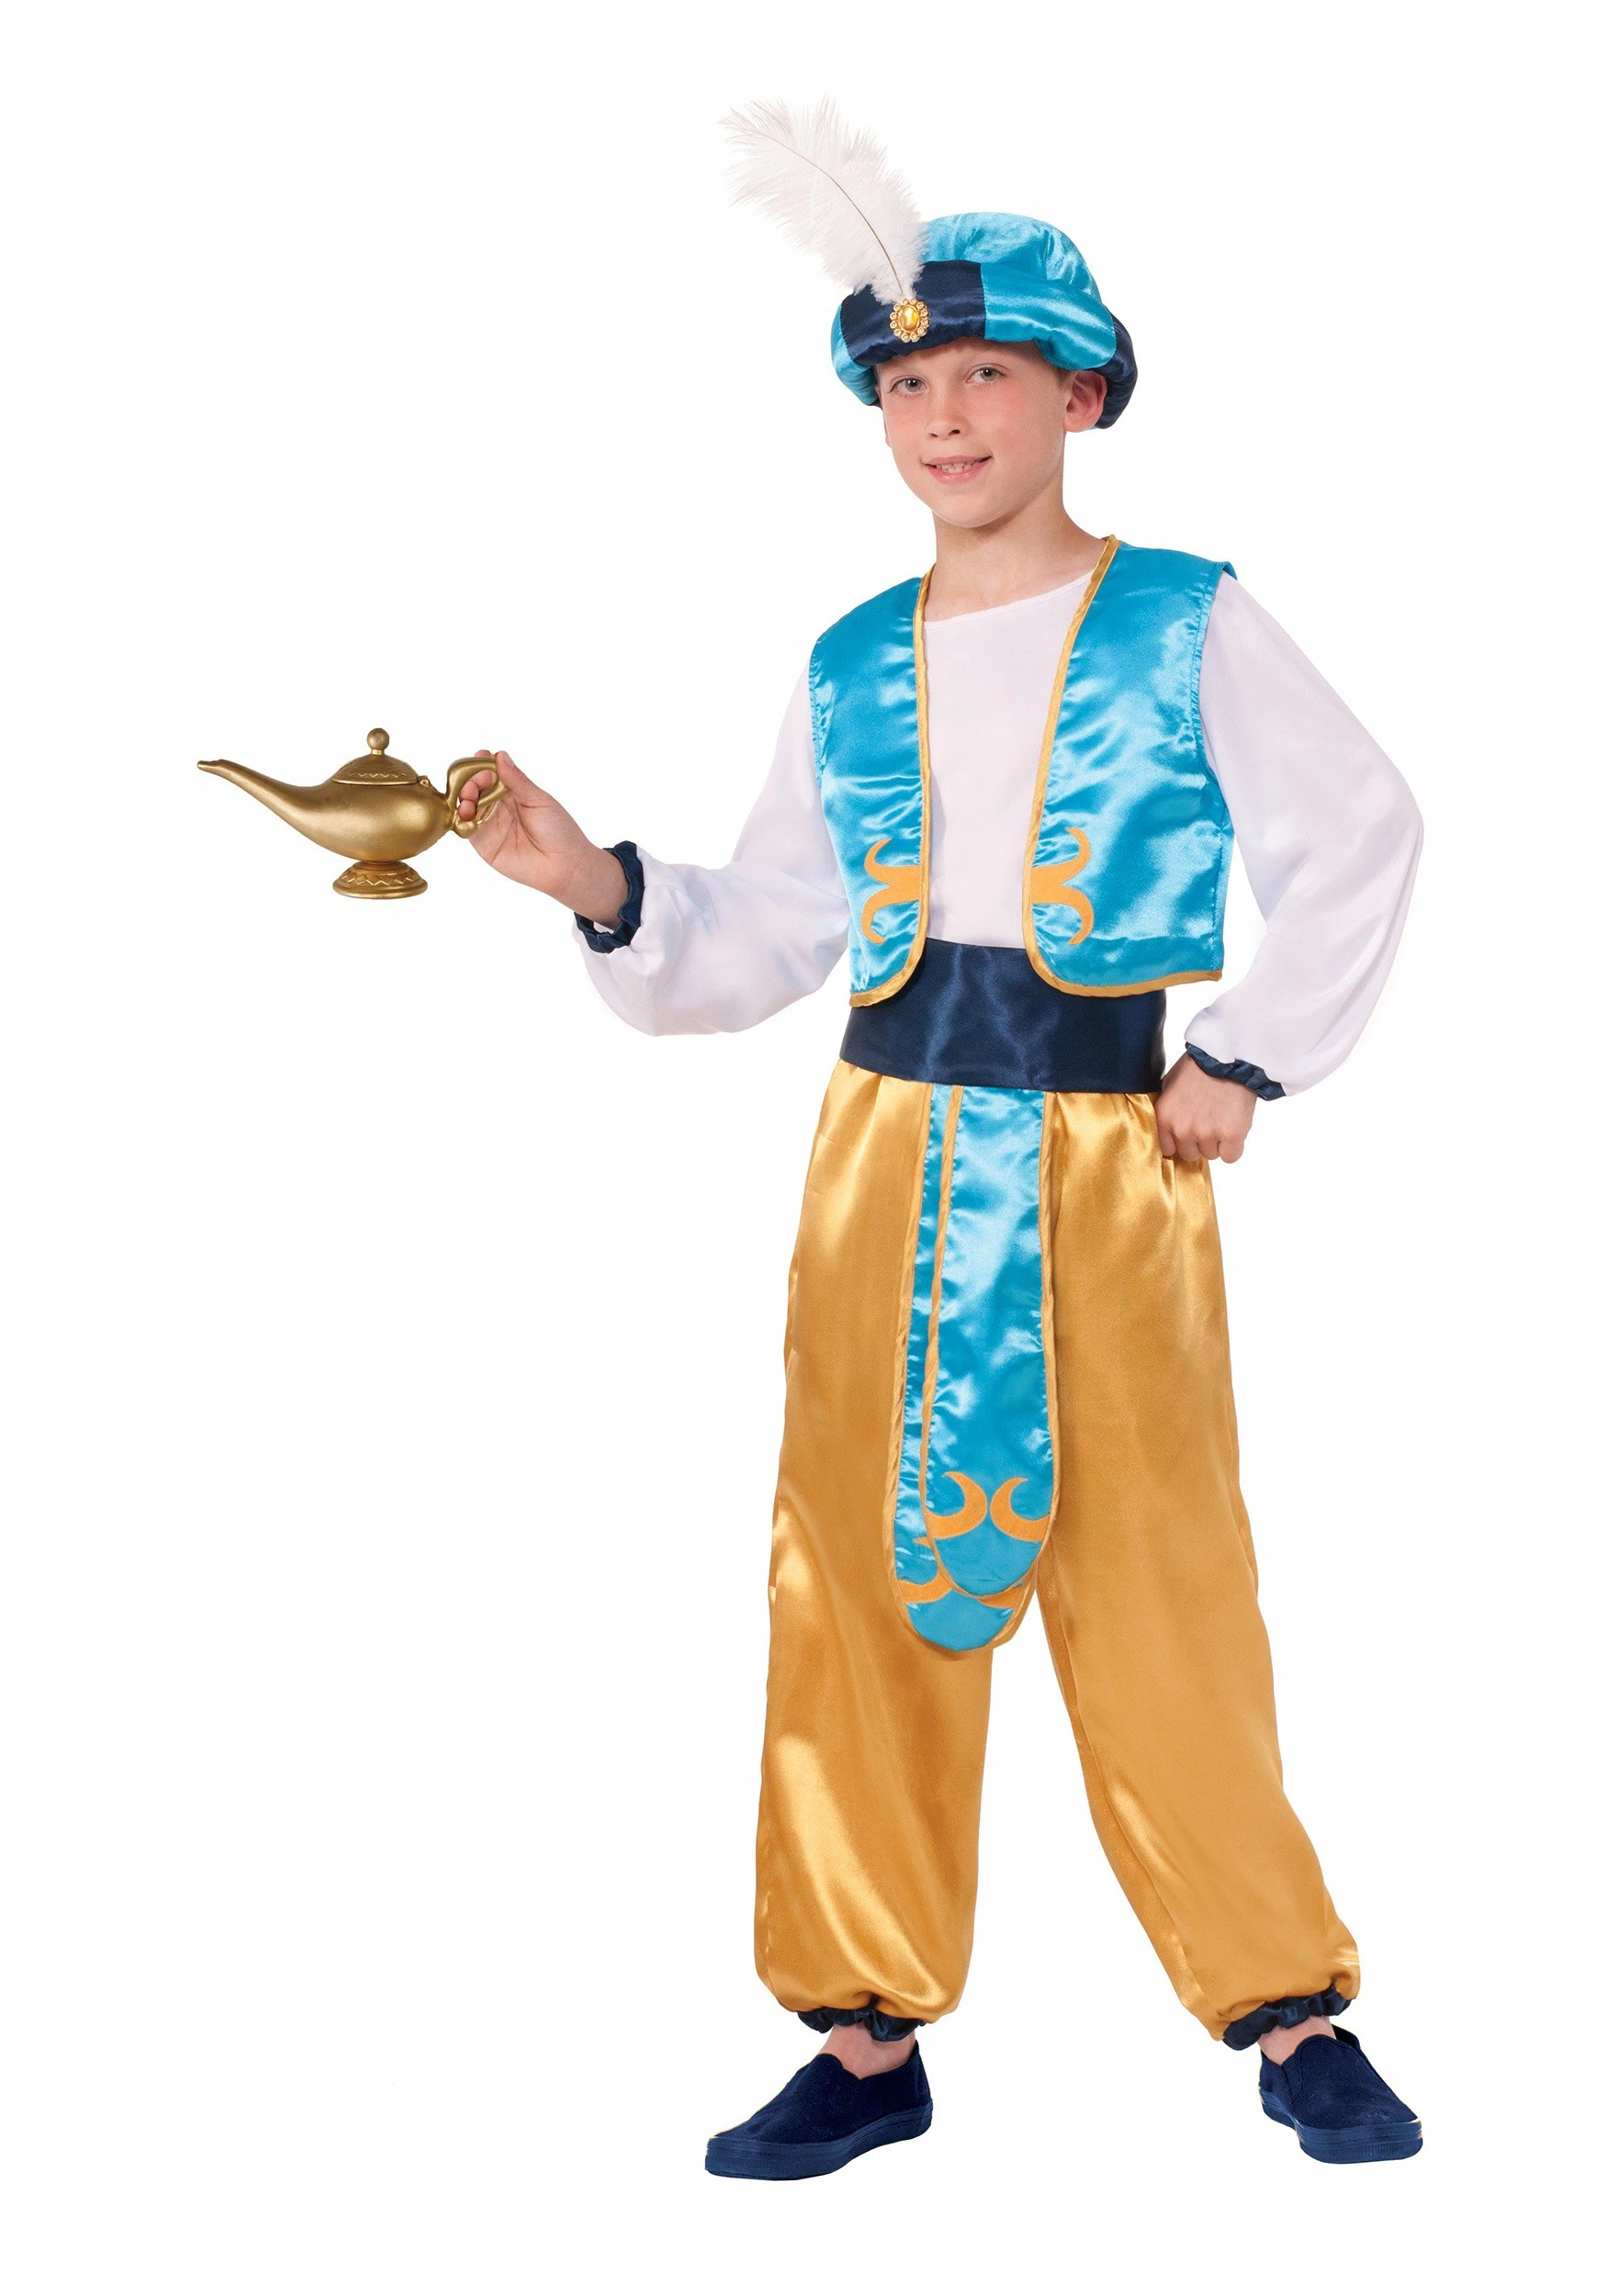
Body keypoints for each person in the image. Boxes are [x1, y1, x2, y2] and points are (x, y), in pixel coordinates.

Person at [454, 101, 1425, 2178]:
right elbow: (776, 924)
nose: (945, 415)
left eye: (986, 373)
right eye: (906, 384)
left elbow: (1359, 830)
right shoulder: (848, 662)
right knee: (855, 1564)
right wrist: (598, 882)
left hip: (1106, 1159)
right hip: (881, 1158)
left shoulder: (1182, 616)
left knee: (1156, 1562)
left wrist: (1244, 1055)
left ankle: (1281, 2003)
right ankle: (860, 2028)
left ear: (1081, 393)